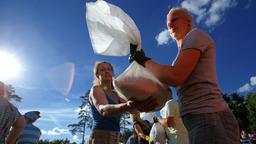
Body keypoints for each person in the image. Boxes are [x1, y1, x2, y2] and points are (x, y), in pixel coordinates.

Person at [129, 7, 240, 144]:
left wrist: (144, 60)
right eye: (167, 23)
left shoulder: (196, 35)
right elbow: (165, 81)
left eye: (174, 19)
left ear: (188, 22)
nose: (169, 25)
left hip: (208, 115)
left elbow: (175, 76)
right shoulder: (179, 57)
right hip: (198, 118)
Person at [89, 61, 156, 144]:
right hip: (99, 137)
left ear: (112, 73)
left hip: (116, 137)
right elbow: (103, 110)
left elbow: (134, 110)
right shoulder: (96, 89)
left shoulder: (117, 95)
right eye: (102, 70)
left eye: (109, 69)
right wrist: (127, 106)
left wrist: (143, 100)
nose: (107, 71)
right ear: (97, 75)